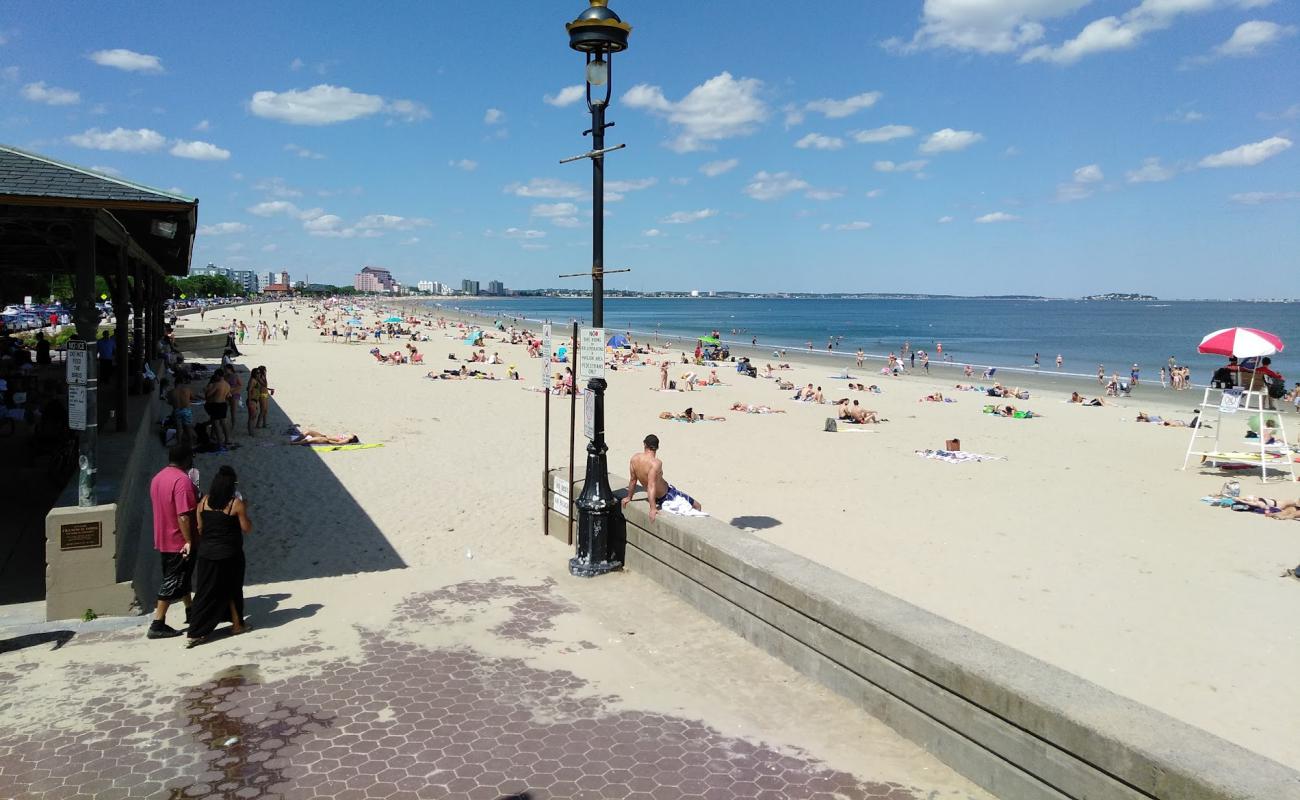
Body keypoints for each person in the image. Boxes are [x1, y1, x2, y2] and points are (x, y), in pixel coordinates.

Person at [186, 465, 252, 647]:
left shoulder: (204, 502)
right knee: (232, 589)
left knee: (205, 591)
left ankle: (197, 630)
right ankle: (236, 624)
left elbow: (200, 528)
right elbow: (247, 528)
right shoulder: (235, 504)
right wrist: (245, 509)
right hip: (230, 554)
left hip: (207, 554)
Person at [147, 444, 197, 639]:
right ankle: (158, 622)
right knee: (172, 579)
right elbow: (183, 515)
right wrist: (189, 541)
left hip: (163, 537)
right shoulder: (182, 481)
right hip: (178, 540)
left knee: (181, 577)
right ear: (186, 459)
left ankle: (190, 610)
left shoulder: (158, 478)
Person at [621, 434, 701, 522]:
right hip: (667, 495)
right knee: (697, 506)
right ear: (657, 447)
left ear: (644, 444)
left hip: (654, 497)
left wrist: (629, 497)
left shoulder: (634, 458)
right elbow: (651, 485)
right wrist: (653, 508)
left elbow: (633, 480)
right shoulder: (655, 463)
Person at [203, 369, 231, 446]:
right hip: (223, 404)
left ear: (218, 375)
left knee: (216, 423)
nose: (215, 377)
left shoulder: (217, 384)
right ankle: (227, 439)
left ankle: (220, 441)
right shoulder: (227, 384)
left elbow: (208, 394)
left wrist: (207, 389)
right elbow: (229, 395)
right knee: (224, 423)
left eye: (216, 376)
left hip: (216, 404)